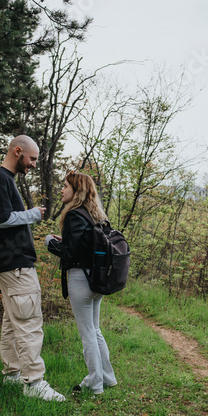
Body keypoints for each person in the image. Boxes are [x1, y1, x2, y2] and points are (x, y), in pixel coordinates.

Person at [0, 135, 65, 402]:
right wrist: (32, 214)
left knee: (12, 320)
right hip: (15, 265)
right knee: (29, 321)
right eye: (31, 159)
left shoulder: (5, 180)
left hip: (10, 265)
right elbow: (0, 219)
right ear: (17, 151)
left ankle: (12, 376)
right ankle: (34, 383)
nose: (32, 165)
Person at [46, 170, 118, 397]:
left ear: (76, 191)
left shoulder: (73, 215)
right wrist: (65, 240)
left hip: (80, 279)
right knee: (95, 331)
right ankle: (107, 378)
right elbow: (83, 245)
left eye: (65, 186)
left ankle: (95, 386)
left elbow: (71, 253)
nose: (61, 189)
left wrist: (51, 243)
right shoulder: (94, 214)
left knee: (88, 334)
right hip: (96, 279)